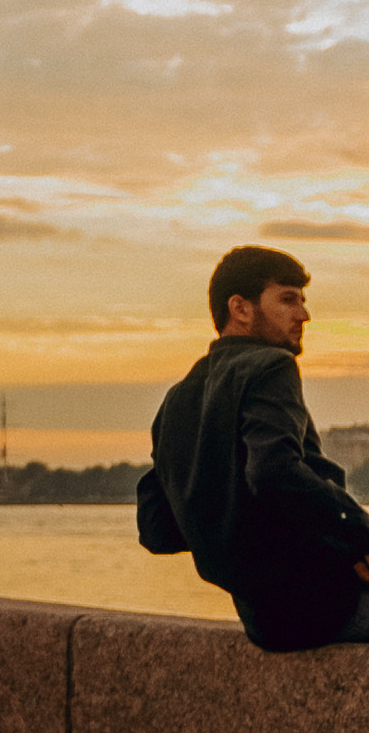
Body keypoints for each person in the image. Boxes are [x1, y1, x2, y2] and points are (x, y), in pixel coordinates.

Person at [139, 244, 369, 650]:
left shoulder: (177, 397)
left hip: (263, 620)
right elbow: (274, 472)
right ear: (241, 308)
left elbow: (157, 529)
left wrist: (231, 531)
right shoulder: (270, 365)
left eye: (302, 300)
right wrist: (359, 537)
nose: (304, 314)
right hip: (328, 605)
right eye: (288, 299)